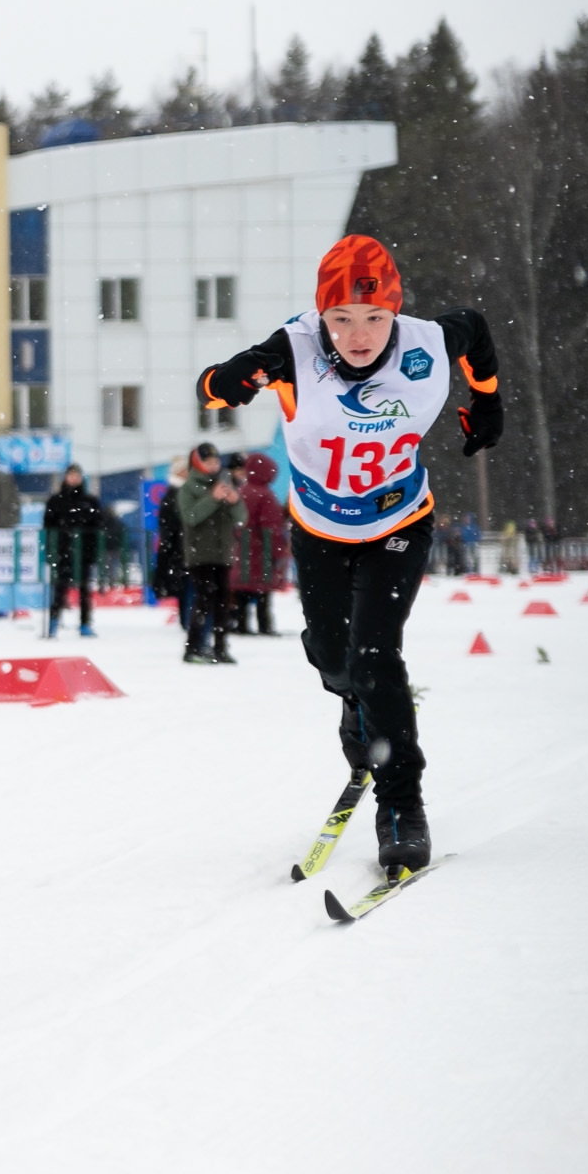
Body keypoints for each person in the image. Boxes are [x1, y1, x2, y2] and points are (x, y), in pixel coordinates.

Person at [198, 234, 503, 872]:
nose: (358, 335)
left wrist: (488, 400)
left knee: (376, 655)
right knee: (337, 660)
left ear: (395, 311)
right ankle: (353, 704)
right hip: (320, 529)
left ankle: (401, 806)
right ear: (321, 317)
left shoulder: (426, 344)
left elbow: (474, 331)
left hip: (399, 523)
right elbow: (215, 387)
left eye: (374, 318)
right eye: (341, 319)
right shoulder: (294, 350)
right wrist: (228, 381)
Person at [175, 442, 246, 664]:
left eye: (216, 461)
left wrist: (234, 502)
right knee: (203, 600)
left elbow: (242, 519)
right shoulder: (188, 488)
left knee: (223, 603)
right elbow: (191, 517)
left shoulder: (224, 483)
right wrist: (213, 499)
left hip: (222, 554)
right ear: (198, 463)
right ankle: (193, 647)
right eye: (208, 462)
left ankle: (220, 647)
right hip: (200, 555)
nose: (213, 466)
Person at [229, 451, 290, 635]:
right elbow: (271, 528)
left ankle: (241, 623)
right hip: (260, 550)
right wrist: (278, 550)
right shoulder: (265, 495)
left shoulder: (241, 491)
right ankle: (264, 625)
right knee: (263, 591)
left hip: (242, 547)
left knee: (242, 591)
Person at [41, 463, 103, 638]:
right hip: (63, 550)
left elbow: (98, 526)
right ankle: (54, 621)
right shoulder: (56, 500)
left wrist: (92, 550)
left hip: (83, 552)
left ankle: (84, 623)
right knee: (59, 587)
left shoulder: (89, 501)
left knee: (84, 589)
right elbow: (48, 526)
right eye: (71, 475)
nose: (74, 479)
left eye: (77, 475)